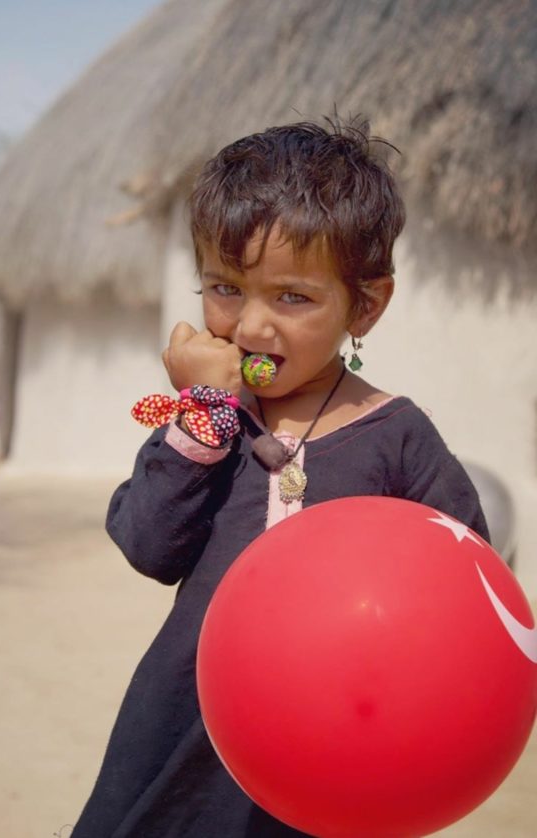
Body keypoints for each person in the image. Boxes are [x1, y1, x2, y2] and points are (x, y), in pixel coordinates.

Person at [70, 119, 489, 837]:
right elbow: (148, 545)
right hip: (186, 730)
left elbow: (465, 593)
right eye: (225, 288)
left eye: (292, 297)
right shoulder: (211, 416)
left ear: (365, 306)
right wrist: (204, 413)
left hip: (333, 747)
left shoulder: (399, 438)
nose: (251, 328)